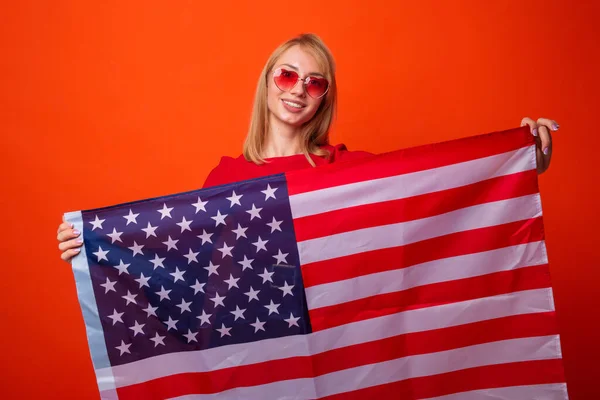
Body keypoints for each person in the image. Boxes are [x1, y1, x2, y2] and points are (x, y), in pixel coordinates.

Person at [56, 33, 559, 262]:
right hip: (266, 356)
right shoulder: (222, 180)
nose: (298, 88)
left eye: (315, 83)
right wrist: (93, 245)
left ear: (324, 99)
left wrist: (521, 156)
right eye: (289, 74)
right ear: (269, 82)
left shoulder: (351, 169)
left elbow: (435, 192)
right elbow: (182, 262)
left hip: (343, 353)